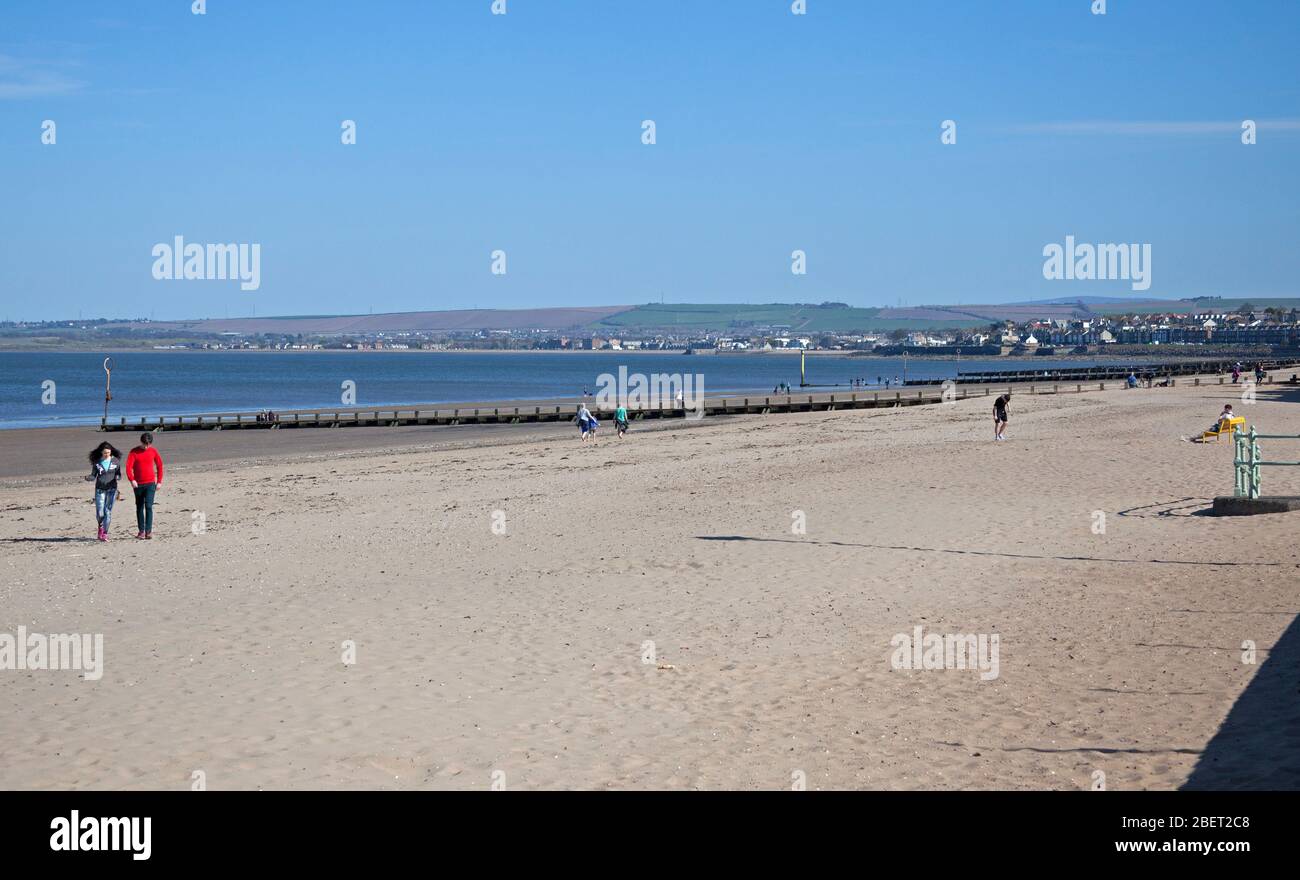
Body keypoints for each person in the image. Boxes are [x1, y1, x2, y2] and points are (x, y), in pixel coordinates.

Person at [126, 432, 164, 539]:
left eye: (148, 444)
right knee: (139, 507)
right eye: (144, 444)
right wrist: (132, 480)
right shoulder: (134, 452)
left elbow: (160, 465)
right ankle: (141, 531)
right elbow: (128, 467)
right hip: (138, 485)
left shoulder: (153, 451)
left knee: (148, 506)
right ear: (141, 442)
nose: (146, 447)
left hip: (150, 484)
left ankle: (148, 531)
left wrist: (159, 481)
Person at [85, 442, 124, 541]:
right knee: (100, 513)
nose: (107, 454)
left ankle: (105, 533)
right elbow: (93, 475)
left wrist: (117, 477)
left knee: (108, 512)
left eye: (108, 452)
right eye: (105, 453)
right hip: (100, 489)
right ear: (101, 452)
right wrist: (89, 478)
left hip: (112, 489)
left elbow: (119, 474)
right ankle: (100, 527)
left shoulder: (115, 461)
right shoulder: (97, 462)